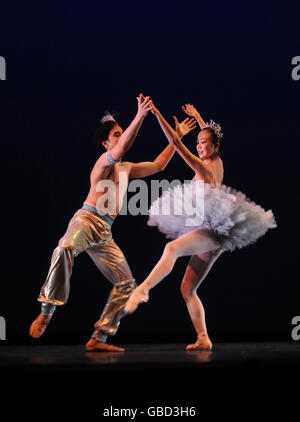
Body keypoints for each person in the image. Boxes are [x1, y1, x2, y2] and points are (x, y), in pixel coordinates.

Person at [29, 94, 196, 352]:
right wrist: (140, 116)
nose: (121, 137)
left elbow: (159, 165)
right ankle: (47, 309)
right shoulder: (103, 165)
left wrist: (177, 137)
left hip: (105, 232)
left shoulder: (127, 169)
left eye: (121, 133)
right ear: (106, 143)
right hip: (86, 220)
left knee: (127, 284)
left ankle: (100, 337)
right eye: (116, 134)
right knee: (65, 248)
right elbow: (123, 148)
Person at [125, 102, 277, 351]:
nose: (199, 146)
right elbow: (211, 134)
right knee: (187, 289)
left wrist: (155, 114)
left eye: (204, 142)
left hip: (211, 232)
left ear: (216, 146)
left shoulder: (206, 168)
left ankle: (143, 289)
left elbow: (175, 144)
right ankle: (203, 338)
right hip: (208, 233)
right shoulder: (216, 159)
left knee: (171, 249)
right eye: (197, 142)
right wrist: (197, 116)